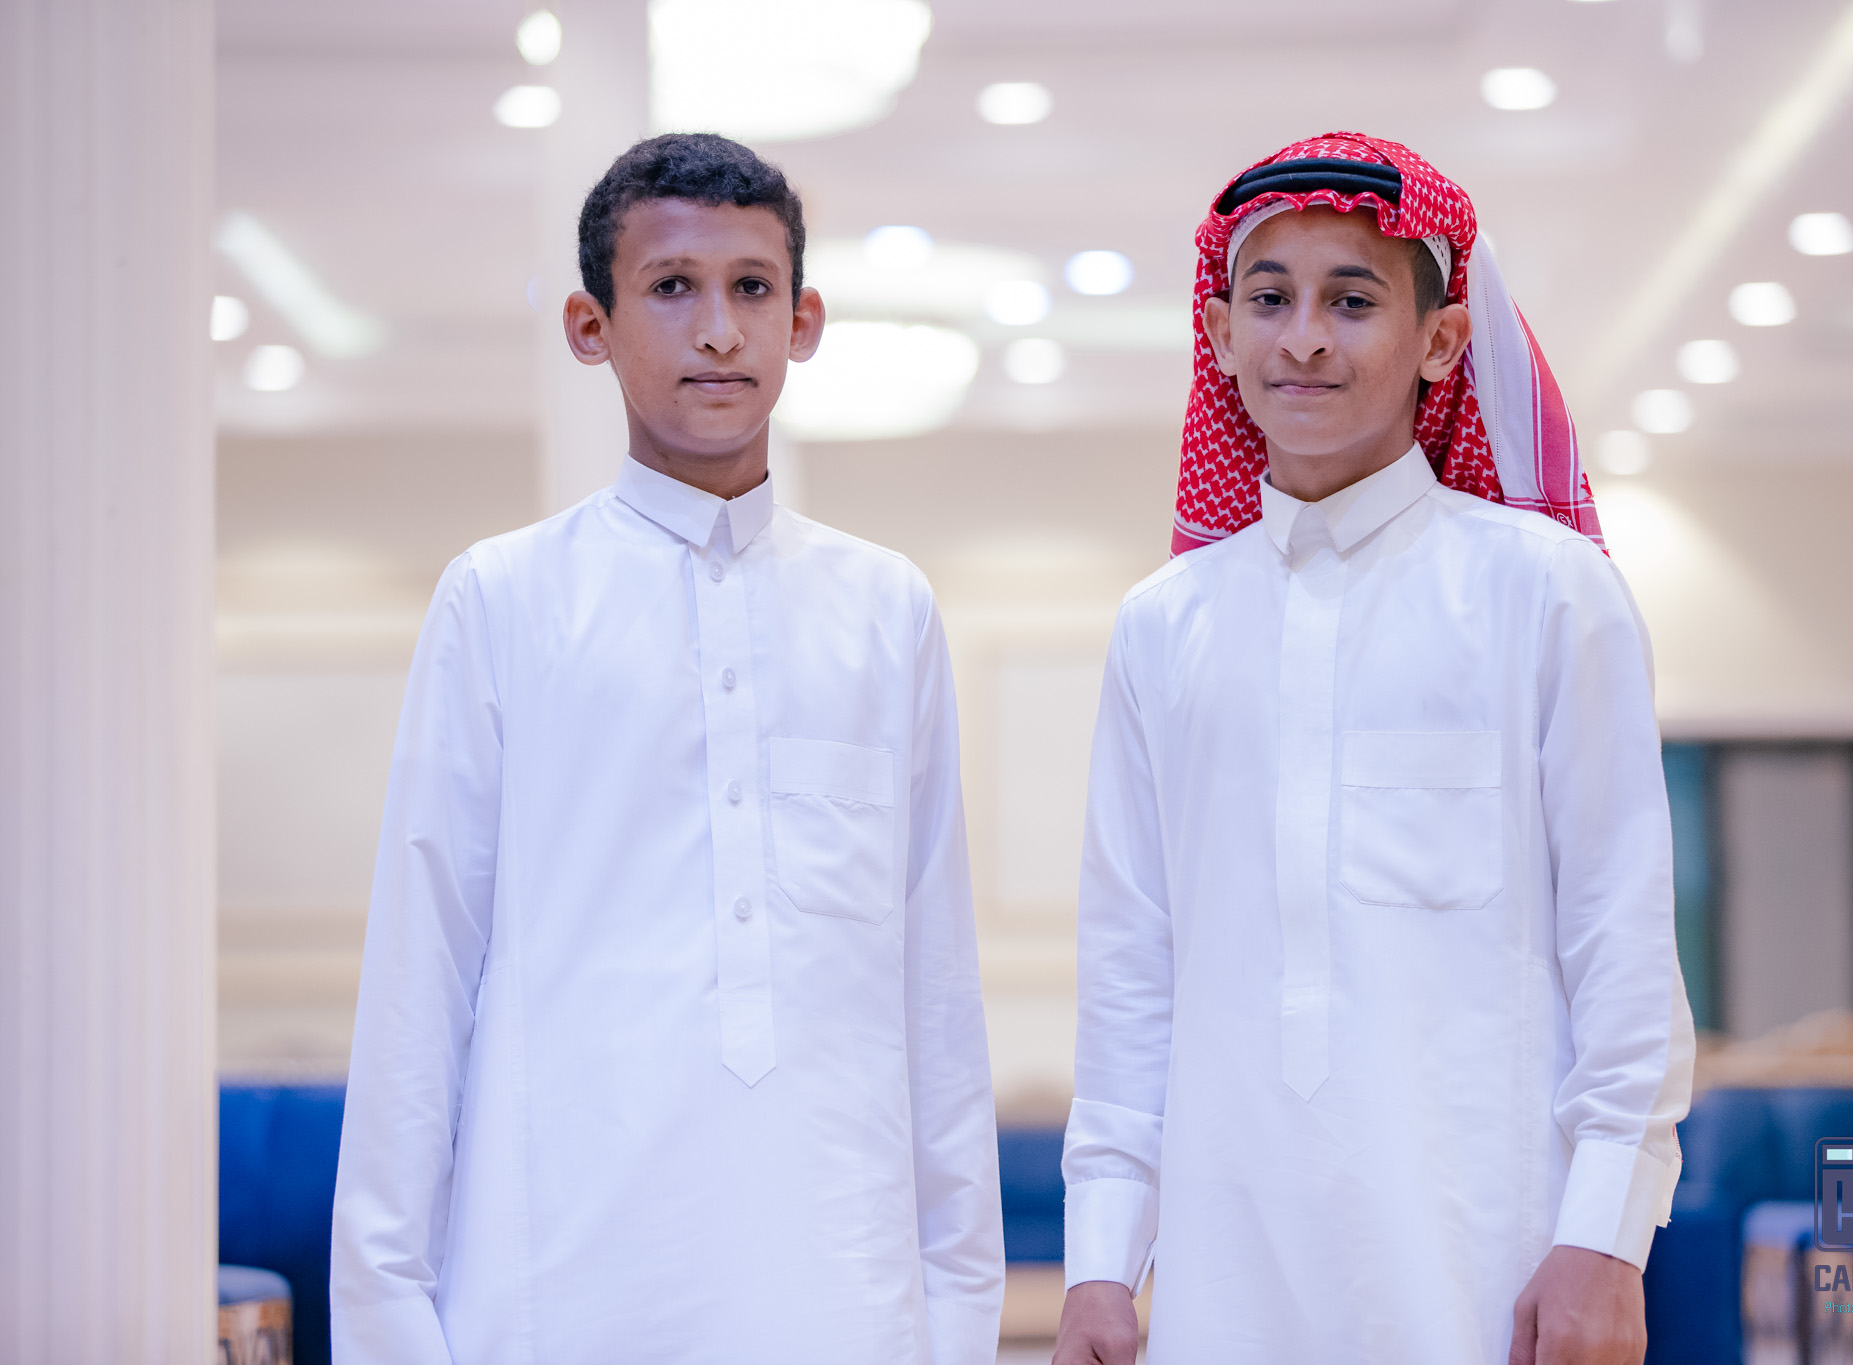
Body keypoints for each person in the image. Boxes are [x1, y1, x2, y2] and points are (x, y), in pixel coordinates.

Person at [330, 134, 1004, 1364]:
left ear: (803, 322)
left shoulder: (883, 608)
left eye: (751, 287)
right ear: (590, 326)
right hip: (559, 1285)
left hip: (841, 1290)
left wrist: (958, 1307)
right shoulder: (503, 598)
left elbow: (935, 989)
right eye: (671, 287)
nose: (718, 330)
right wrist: (388, 1319)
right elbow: (420, 977)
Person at [1053, 133, 1694, 1365]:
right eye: (1268, 299)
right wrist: (1098, 1263)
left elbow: (1619, 936)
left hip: (1481, 1261)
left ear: (1440, 342)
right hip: (1223, 1279)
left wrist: (1605, 1238)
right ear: (1218, 331)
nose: (1302, 339)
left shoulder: (1545, 592)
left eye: (1350, 302)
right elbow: (1130, 971)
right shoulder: (1163, 627)